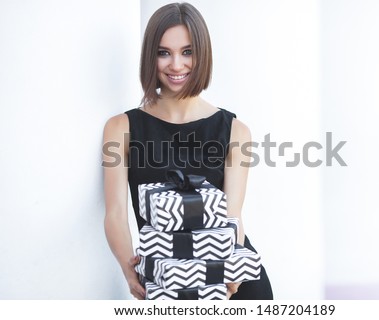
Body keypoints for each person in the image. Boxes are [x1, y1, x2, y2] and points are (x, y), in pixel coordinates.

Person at [102, 2, 273, 300]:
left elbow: (233, 215)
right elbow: (115, 213)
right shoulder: (122, 128)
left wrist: (230, 271)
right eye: (163, 53)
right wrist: (129, 270)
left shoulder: (235, 130)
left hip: (230, 280)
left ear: (202, 54)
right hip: (166, 280)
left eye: (188, 52)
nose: (176, 65)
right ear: (150, 57)